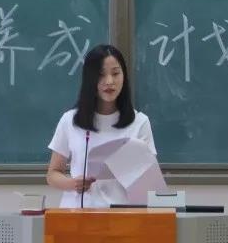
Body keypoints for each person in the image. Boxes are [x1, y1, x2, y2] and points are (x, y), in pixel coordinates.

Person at [46, 43, 157, 208]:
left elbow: (148, 183)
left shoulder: (140, 122)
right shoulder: (70, 120)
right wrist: (73, 184)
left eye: (115, 73)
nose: (109, 81)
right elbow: (52, 174)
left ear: (124, 76)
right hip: (78, 214)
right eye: (101, 75)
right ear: (90, 79)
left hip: (121, 215)